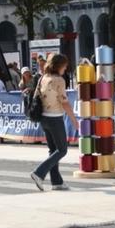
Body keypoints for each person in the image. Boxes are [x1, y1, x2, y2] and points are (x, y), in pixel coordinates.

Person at [29, 54, 79, 191]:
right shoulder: (59, 80)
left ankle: (56, 181)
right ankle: (39, 173)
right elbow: (65, 102)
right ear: (59, 66)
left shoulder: (42, 78)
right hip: (55, 118)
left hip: (43, 118)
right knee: (62, 150)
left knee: (53, 150)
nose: (66, 68)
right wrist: (74, 120)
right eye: (65, 65)